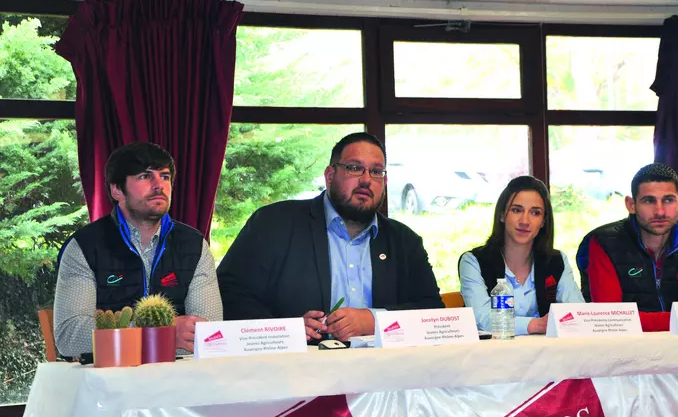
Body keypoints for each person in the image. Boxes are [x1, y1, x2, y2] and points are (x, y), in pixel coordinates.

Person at [217, 132, 444, 342]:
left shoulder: (404, 241)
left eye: (376, 172)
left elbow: (432, 310)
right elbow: (230, 295)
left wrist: (373, 321)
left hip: (382, 372)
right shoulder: (273, 223)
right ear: (330, 175)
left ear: (384, 183)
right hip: (295, 370)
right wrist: (285, 330)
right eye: (355, 168)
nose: (366, 180)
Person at [53, 143, 222, 357]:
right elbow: (69, 338)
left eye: (165, 177)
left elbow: (209, 334)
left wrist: (114, 332)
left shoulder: (195, 245)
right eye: (144, 176)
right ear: (117, 190)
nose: (158, 185)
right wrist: (164, 334)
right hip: (109, 379)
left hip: (179, 379)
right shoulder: (84, 246)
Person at [576, 163, 678, 331]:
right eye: (649, 201)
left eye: (668, 200)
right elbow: (612, 319)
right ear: (631, 205)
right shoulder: (604, 242)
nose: (660, 211)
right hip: (624, 351)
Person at [459, 176, 584, 335]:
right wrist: (535, 325)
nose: (525, 221)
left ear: (543, 221)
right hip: (491, 356)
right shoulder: (473, 262)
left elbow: (577, 313)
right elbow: (482, 320)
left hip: (548, 355)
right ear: (502, 215)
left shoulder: (557, 261)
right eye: (517, 210)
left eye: (535, 213)